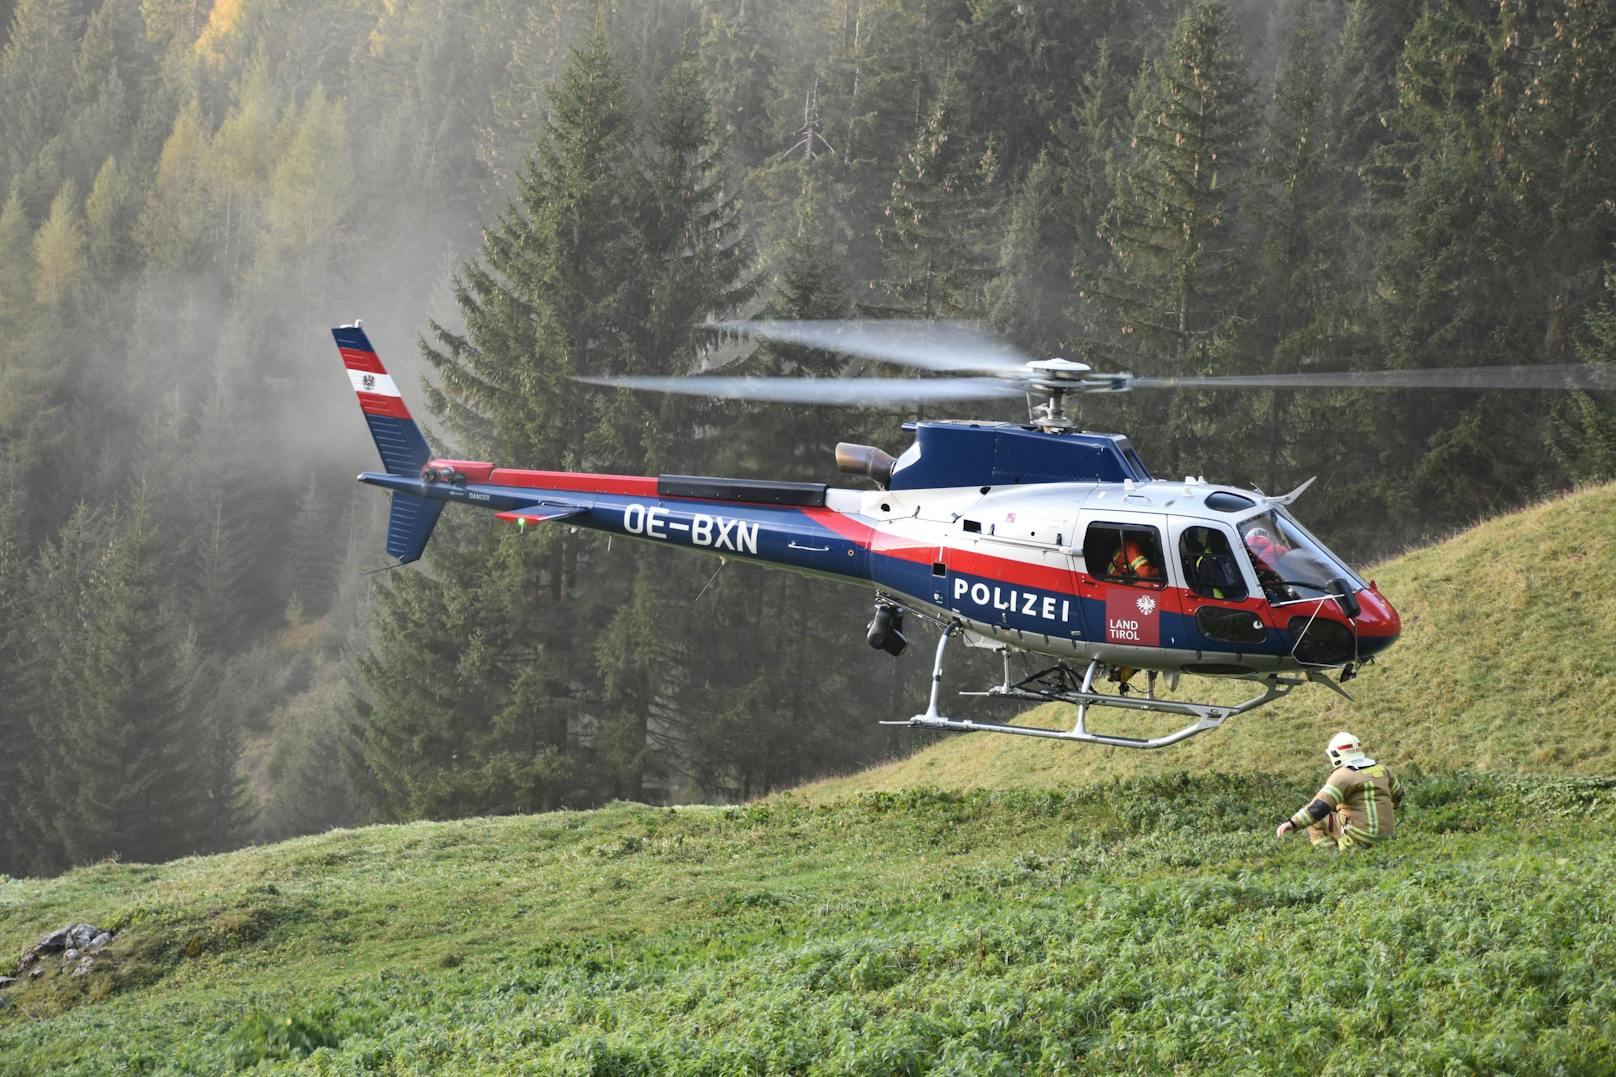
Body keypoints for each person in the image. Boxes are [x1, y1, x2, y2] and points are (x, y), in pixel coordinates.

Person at [1275, 732, 1404, 850]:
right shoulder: (1382, 769)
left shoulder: (1343, 775)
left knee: (1315, 822)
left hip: (1360, 834)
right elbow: (1398, 794)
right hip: (1388, 835)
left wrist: (1293, 823)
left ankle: (1333, 855)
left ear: (1336, 754)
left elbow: (1319, 807)